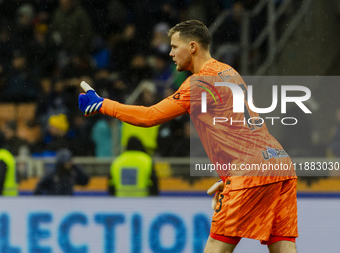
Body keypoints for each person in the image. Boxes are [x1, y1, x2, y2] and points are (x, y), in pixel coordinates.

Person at [78, 20, 298, 253]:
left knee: (216, 247)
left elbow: (149, 116)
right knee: (282, 246)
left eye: (174, 46)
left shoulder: (199, 82)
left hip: (249, 171)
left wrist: (102, 104)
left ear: (192, 47)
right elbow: (240, 127)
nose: (171, 53)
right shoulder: (228, 71)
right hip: (278, 163)